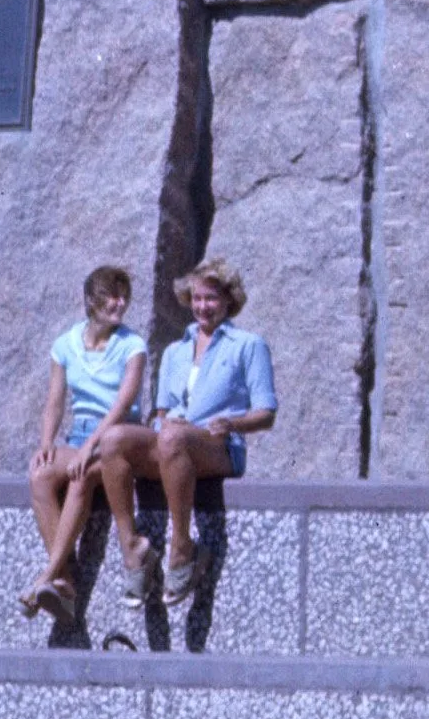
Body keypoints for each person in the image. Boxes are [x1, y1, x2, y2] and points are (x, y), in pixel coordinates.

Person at [95, 259, 276, 605]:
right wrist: (161, 427)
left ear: (228, 300)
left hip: (219, 445)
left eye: (211, 299)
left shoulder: (248, 345)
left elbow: (266, 413)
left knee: (174, 436)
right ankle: (133, 549)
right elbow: (162, 414)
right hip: (174, 442)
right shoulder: (174, 352)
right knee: (114, 438)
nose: (202, 307)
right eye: (197, 298)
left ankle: (182, 548)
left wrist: (232, 423)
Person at [21, 262, 147, 622]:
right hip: (80, 437)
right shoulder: (65, 344)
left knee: (81, 476)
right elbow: (55, 400)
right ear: (92, 300)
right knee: (41, 474)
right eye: (112, 295)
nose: (120, 304)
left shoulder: (132, 345)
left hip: (115, 437)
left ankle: (47, 575)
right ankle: (65, 582)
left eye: (125, 297)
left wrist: (92, 444)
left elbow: (123, 405)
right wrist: (47, 441)